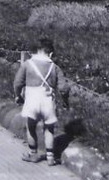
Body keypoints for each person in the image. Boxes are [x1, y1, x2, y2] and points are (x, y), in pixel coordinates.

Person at [12, 36, 70, 166]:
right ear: (50, 53)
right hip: (48, 100)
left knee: (31, 127)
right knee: (49, 129)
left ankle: (33, 154)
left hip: (32, 99)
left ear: (33, 52)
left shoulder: (27, 65)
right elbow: (63, 88)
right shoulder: (55, 68)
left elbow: (17, 83)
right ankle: (50, 157)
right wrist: (66, 101)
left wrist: (17, 95)